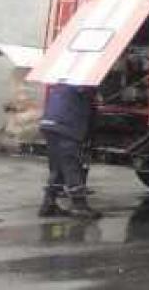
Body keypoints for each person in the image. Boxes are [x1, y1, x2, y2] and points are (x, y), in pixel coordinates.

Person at [39, 83, 101, 219]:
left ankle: (48, 203)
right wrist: (88, 137)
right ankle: (79, 206)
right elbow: (90, 116)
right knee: (71, 166)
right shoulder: (86, 88)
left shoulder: (62, 84)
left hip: (49, 125)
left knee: (57, 167)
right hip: (67, 128)